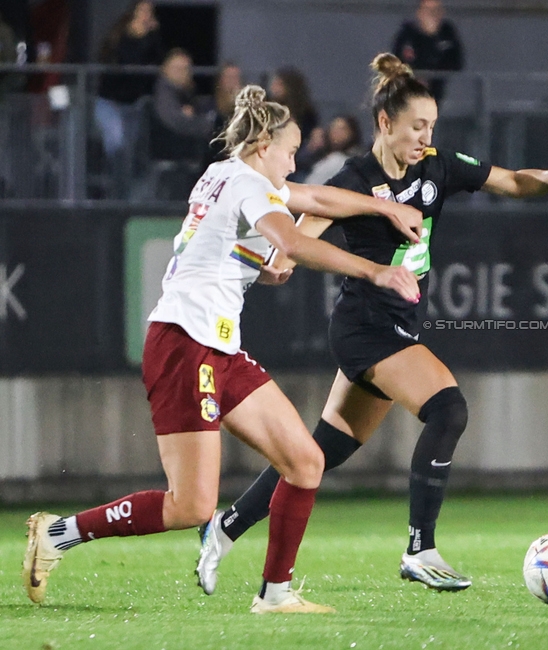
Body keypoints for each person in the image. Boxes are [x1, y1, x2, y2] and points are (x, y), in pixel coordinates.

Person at [194, 52, 548, 594]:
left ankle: (225, 527)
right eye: (417, 126)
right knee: (449, 409)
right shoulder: (355, 179)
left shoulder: (436, 164)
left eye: (432, 125)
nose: (426, 136)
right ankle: (420, 548)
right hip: (367, 327)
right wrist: (282, 257)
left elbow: (515, 182)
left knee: (321, 452)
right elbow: (307, 223)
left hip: (397, 326)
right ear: (385, 123)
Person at [23, 84, 425, 614]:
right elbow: (295, 241)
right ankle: (59, 534)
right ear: (264, 148)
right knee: (191, 504)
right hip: (185, 345)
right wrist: (376, 269)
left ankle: (275, 595)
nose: (293, 161)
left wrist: (382, 207)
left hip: (216, 346)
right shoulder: (248, 186)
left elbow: (317, 199)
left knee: (305, 461)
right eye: (290, 151)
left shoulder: (226, 174)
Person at [95, 1, 164, 158]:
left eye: (149, 11)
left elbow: (159, 60)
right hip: (111, 98)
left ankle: (123, 180)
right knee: (116, 143)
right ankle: (112, 177)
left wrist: (153, 34)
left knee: (130, 147)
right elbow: (126, 59)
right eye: (142, 10)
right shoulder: (120, 33)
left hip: (134, 101)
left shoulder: (151, 36)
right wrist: (142, 36)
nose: (146, 15)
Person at [391, 0, 463, 102]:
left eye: (436, 10)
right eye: (428, 10)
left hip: (445, 96)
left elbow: (456, 63)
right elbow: (397, 62)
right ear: (419, 12)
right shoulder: (408, 34)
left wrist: (433, 78)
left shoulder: (447, 33)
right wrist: (415, 78)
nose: (432, 14)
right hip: (409, 97)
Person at [151, 48, 215, 162]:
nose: (181, 72)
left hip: (189, 147)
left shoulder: (187, 93)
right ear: (165, 69)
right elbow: (174, 121)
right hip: (173, 149)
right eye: (176, 68)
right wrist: (206, 125)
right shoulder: (164, 94)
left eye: (185, 69)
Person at [268, 67, 323, 180]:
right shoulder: (268, 109)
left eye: (279, 84)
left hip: (299, 161)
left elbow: (309, 140)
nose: (273, 87)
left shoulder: (306, 113)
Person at [305, 114, 363, 185]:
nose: (336, 132)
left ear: (352, 132)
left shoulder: (352, 160)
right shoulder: (320, 154)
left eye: (341, 129)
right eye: (333, 127)